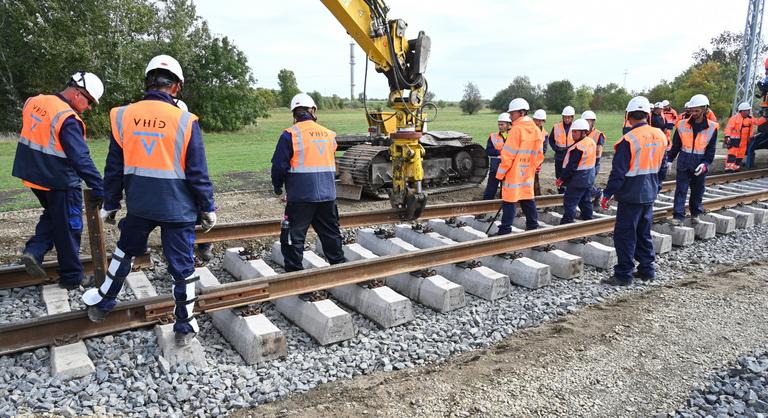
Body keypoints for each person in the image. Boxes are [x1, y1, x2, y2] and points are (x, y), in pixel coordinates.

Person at [82, 55, 216, 347]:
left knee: (124, 253)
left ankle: (103, 302)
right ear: (176, 87)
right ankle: (184, 324)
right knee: (182, 267)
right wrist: (207, 207)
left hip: (140, 205)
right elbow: (197, 171)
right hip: (178, 208)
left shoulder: (123, 116)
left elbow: (114, 167)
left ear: (148, 82)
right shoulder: (185, 120)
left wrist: (110, 203)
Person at [12, 72, 105, 289]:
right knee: (69, 227)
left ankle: (34, 251)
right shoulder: (67, 118)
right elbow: (81, 159)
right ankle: (72, 278)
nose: (89, 107)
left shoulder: (34, 101)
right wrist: (99, 187)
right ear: (75, 92)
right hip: (59, 180)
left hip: (33, 175)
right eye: (89, 101)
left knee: (54, 216)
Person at [271, 92, 347, 272]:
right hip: (328, 196)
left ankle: (295, 273)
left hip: (300, 197)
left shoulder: (290, 134)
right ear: (312, 110)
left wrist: (277, 187)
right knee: (330, 233)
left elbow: (278, 166)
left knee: (293, 236)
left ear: (294, 113)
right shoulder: (329, 134)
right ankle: (340, 268)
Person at [600, 96, 667, 286]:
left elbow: (619, 172)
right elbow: (663, 167)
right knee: (643, 232)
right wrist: (656, 185)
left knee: (625, 234)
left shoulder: (628, 140)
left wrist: (607, 194)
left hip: (631, 194)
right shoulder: (660, 136)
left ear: (628, 116)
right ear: (647, 115)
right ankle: (647, 270)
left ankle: (623, 275)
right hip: (649, 192)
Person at [667, 94, 718, 225]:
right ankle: (678, 216)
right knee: (681, 190)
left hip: (700, 162)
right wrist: (669, 159)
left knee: (697, 190)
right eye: (692, 110)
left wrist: (705, 164)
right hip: (684, 161)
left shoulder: (712, 127)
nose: (694, 113)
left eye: (697, 110)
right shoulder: (682, 125)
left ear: (705, 109)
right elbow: (676, 145)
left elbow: (711, 150)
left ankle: (695, 213)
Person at [495, 98, 544, 234]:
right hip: (528, 173)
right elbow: (539, 155)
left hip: (513, 173)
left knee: (509, 200)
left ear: (521, 112)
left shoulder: (516, 130)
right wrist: (532, 168)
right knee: (527, 198)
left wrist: (500, 174)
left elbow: (507, 156)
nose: (510, 116)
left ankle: (505, 230)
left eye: (512, 113)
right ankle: (533, 227)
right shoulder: (536, 129)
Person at [176, 99, 214, 262]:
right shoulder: (186, 127)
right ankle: (200, 248)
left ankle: (201, 247)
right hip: (182, 187)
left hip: (178, 187)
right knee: (196, 214)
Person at [556, 118, 596, 224]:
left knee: (570, 201)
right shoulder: (590, 142)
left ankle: (567, 223)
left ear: (583, 132)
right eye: (572, 131)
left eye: (575, 132)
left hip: (578, 180)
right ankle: (588, 219)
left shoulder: (578, 147)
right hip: (589, 178)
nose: (573, 134)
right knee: (585, 200)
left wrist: (561, 179)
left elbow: (571, 167)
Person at [482, 113, 512, 199]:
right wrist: (501, 152)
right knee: (490, 189)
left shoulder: (514, 135)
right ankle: (486, 205)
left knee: (506, 189)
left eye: (502, 124)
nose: (500, 126)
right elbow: (488, 150)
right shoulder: (493, 136)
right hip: (496, 167)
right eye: (499, 124)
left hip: (509, 167)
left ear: (509, 124)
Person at [548, 106, 575, 193]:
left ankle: (569, 191)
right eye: (565, 117)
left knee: (570, 173)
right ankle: (560, 191)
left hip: (571, 154)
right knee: (559, 174)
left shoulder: (576, 127)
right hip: (559, 154)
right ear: (562, 117)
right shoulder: (556, 127)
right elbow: (551, 139)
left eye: (569, 117)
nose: (567, 119)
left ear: (572, 117)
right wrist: (555, 148)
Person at [724, 102, 756, 172]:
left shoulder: (750, 119)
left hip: (744, 142)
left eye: (748, 110)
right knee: (732, 154)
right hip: (734, 141)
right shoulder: (734, 118)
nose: (748, 112)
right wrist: (727, 136)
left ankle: (735, 167)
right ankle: (729, 168)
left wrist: (751, 137)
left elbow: (756, 123)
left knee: (740, 155)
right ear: (742, 111)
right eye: (747, 110)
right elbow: (728, 128)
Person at [582, 110, 605, 204]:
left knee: (587, 184)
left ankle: (599, 193)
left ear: (593, 122)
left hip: (594, 163)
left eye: (589, 120)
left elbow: (598, 152)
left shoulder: (598, 134)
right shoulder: (582, 133)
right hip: (583, 163)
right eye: (585, 120)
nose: (587, 122)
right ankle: (590, 198)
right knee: (586, 184)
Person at [532, 109, 547, 196]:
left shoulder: (544, 134)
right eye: (536, 120)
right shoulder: (529, 130)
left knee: (535, 177)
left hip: (537, 159)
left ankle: (536, 195)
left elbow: (544, 149)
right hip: (527, 158)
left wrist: (539, 161)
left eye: (540, 120)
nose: (538, 122)